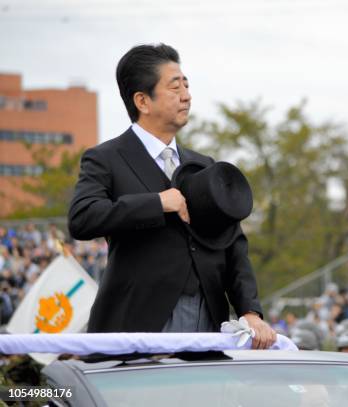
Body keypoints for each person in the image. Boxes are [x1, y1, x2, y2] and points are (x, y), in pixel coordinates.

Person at [68, 43, 275, 348]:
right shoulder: (106, 158)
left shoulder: (204, 166)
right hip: (138, 320)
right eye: (174, 86)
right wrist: (158, 202)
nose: (186, 95)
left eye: (187, 85)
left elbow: (234, 245)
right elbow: (82, 217)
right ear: (142, 101)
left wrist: (249, 310)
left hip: (209, 316)